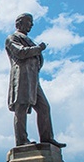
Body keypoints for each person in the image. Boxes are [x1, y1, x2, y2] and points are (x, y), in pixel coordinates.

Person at [5, 13, 66, 148]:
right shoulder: (12, 38)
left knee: (44, 107)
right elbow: (20, 53)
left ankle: (47, 138)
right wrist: (39, 49)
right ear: (19, 23)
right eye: (29, 22)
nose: (31, 25)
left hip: (33, 79)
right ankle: (21, 140)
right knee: (21, 107)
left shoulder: (28, 39)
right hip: (21, 76)